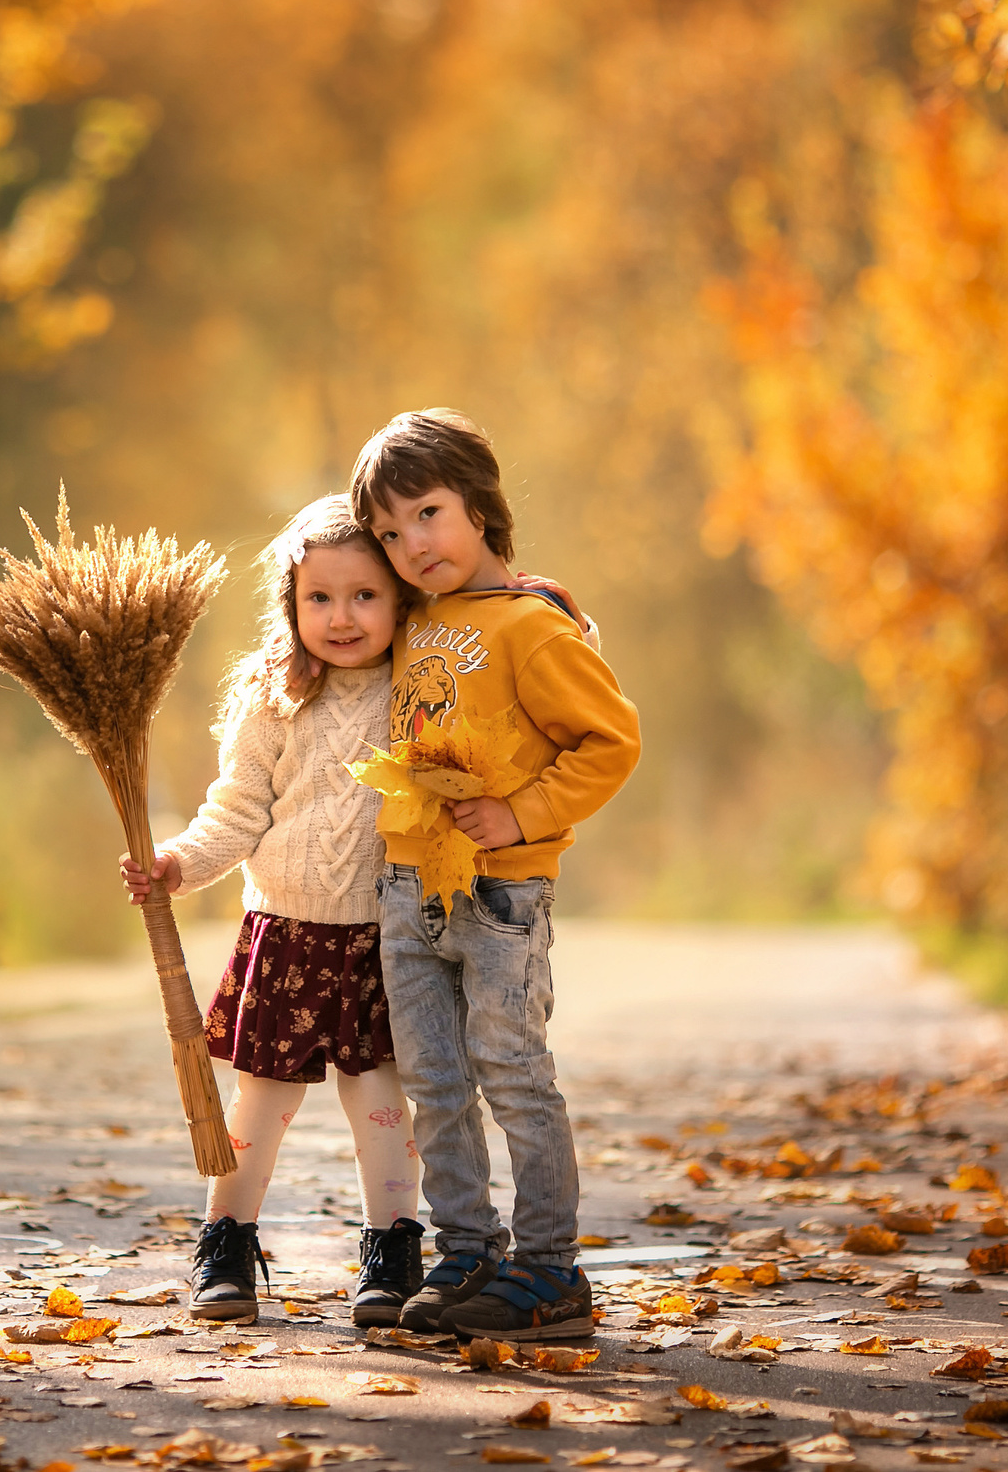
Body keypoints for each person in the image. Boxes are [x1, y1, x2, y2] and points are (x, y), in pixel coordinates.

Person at [348, 408, 643, 1341]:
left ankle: (550, 1268)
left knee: (512, 1072)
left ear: (480, 504)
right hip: (409, 885)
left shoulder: (530, 627)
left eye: (428, 513)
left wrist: (522, 813)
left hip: (502, 891)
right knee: (435, 1080)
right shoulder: (416, 620)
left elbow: (612, 741)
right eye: (390, 532)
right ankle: (465, 1248)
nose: (411, 544)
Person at [119, 495, 426, 1327]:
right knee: (259, 1103)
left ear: (401, 595)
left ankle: (393, 1250)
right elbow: (237, 809)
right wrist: (178, 862)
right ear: (290, 603)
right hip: (287, 933)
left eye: (364, 595)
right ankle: (226, 1241)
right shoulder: (273, 693)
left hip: (384, 936)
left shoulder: (421, 683)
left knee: (381, 1103)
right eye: (318, 597)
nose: (341, 616)